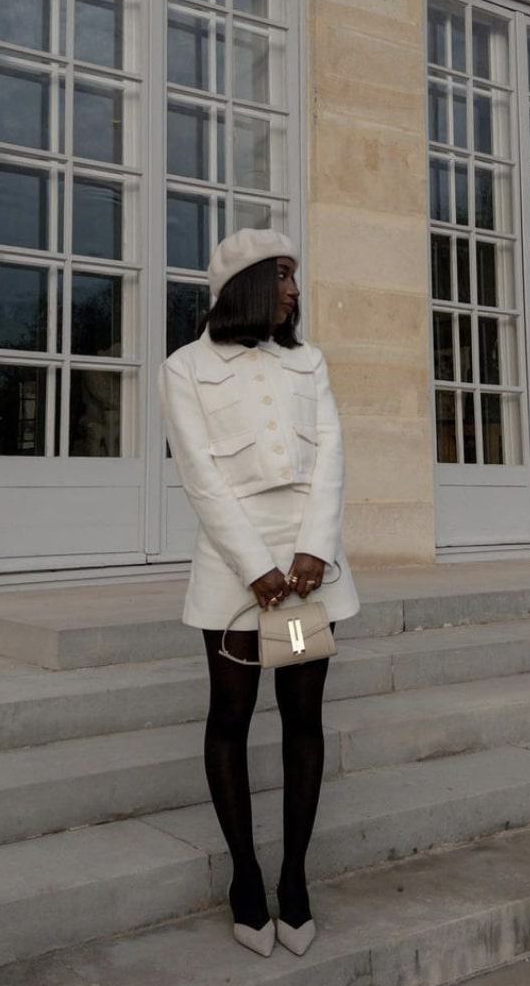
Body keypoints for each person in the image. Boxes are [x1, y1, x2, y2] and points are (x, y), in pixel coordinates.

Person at [157, 227, 360, 958]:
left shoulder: (309, 362)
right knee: (232, 717)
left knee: (301, 715)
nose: (293, 291)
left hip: (307, 578)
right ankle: (246, 877)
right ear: (244, 284)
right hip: (234, 573)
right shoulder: (185, 368)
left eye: (294, 278)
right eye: (280, 276)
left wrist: (312, 551)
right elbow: (200, 477)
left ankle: (295, 878)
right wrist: (256, 566)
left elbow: (332, 454)